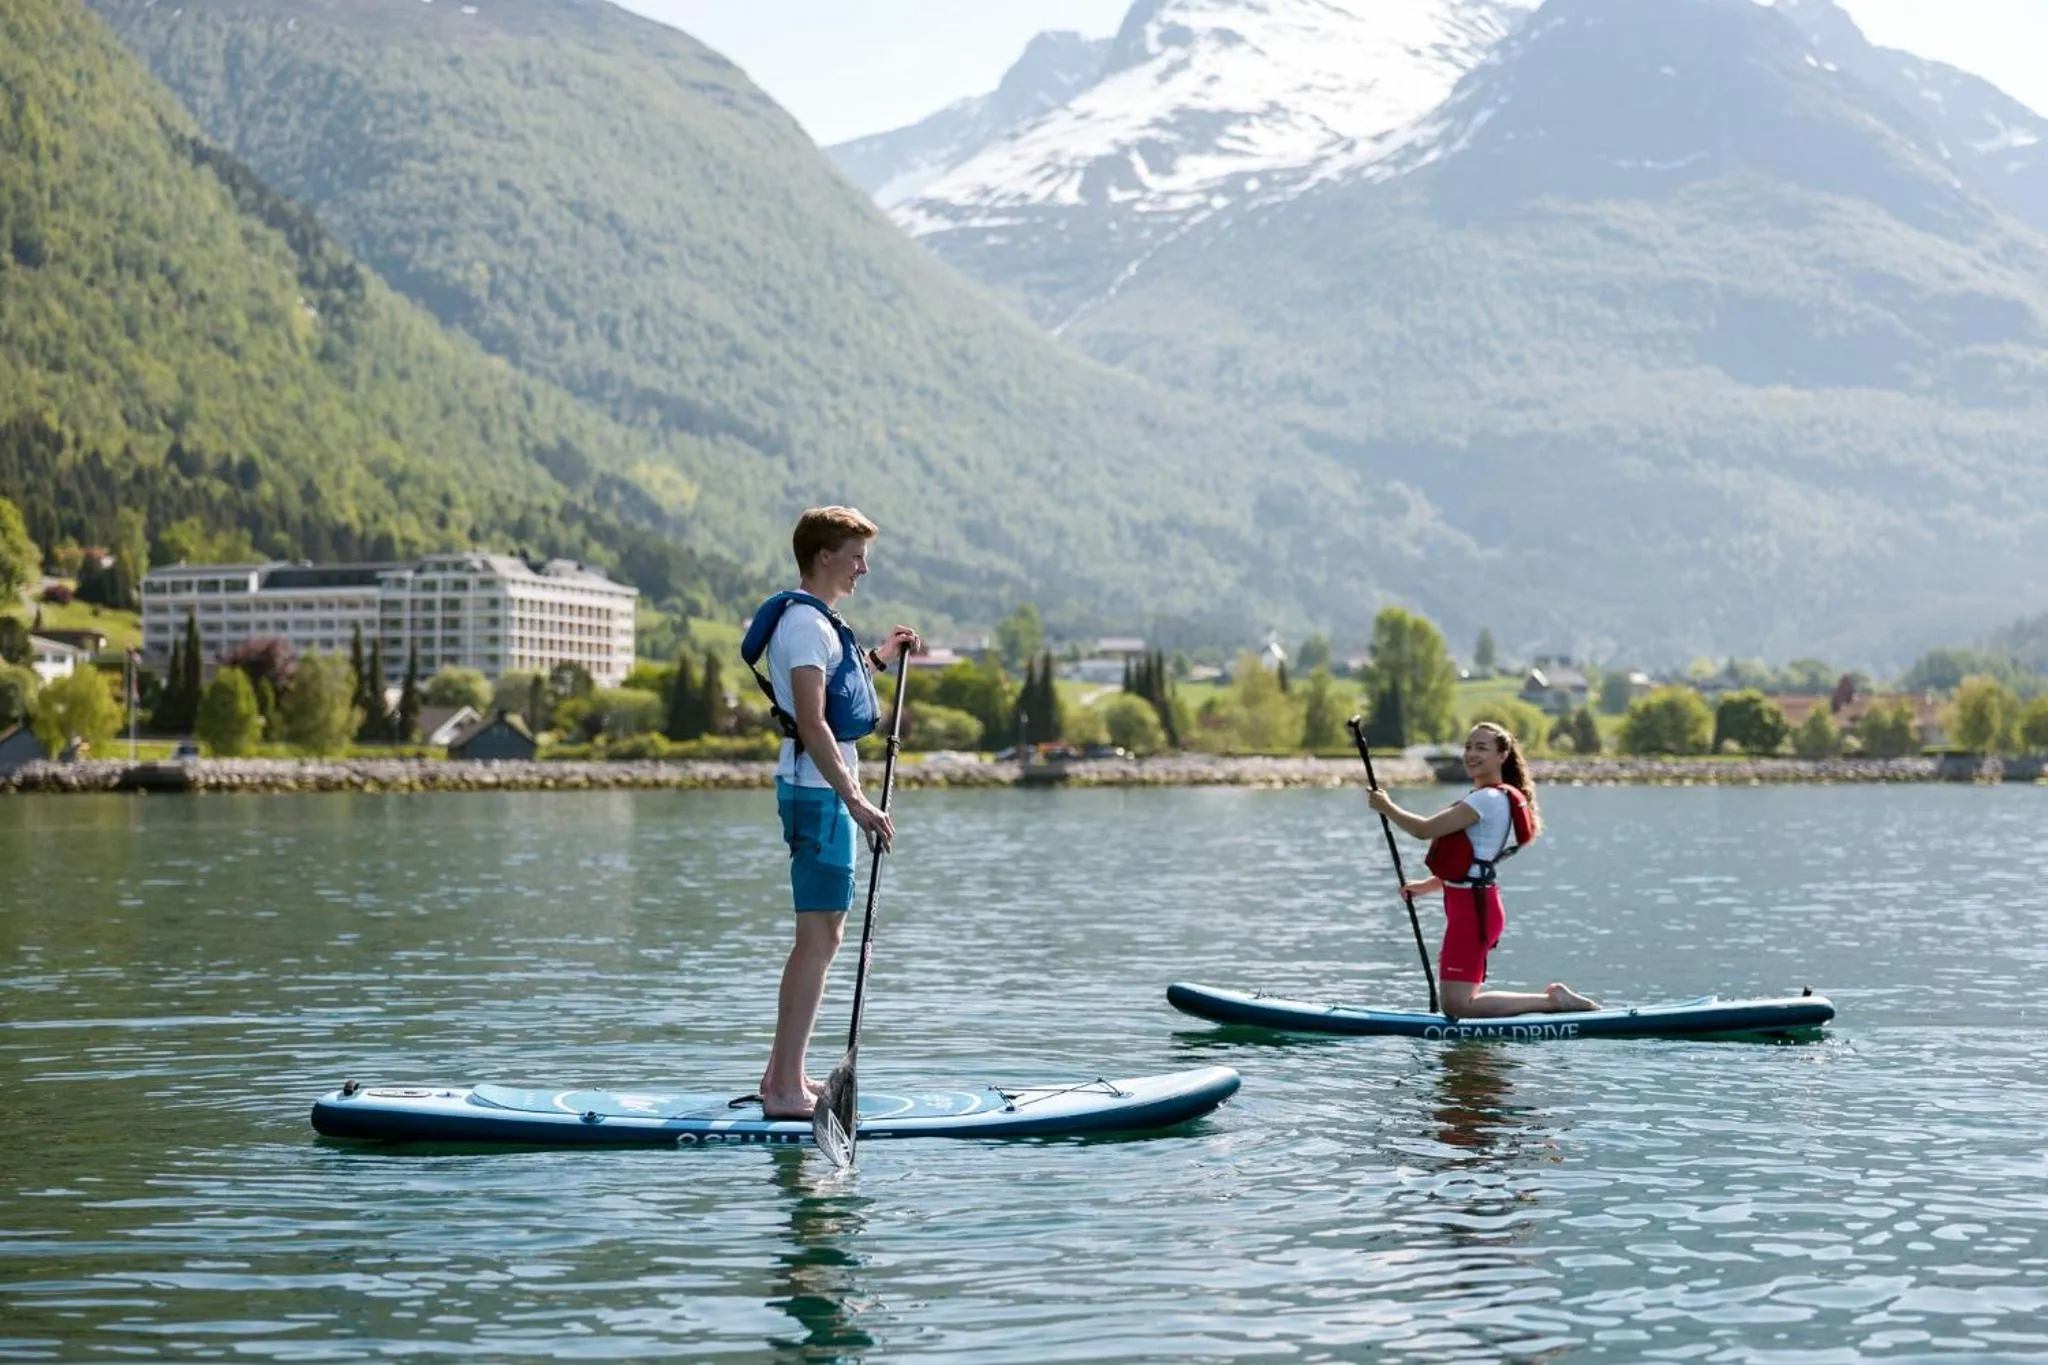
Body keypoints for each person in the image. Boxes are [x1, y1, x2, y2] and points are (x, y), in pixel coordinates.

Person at [742, 506, 919, 1119]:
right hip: (817, 794)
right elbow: (813, 722)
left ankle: (781, 1076)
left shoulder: (816, 623)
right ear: (823, 556)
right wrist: (857, 800)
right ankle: (784, 1091)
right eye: (855, 556)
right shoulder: (804, 626)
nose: (863, 568)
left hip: (821, 791)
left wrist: (882, 656)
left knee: (822, 936)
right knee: (818, 938)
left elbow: (835, 691)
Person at [1367, 721, 1599, 1019]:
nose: (1471, 754)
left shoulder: (1487, 799)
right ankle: (1548, 1002)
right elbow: (1471, 863)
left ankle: (1552, 1001)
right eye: (1468, 747)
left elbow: (1424, 830)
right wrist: (1427, 886)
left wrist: (1386, 806)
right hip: (1473, 907)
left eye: (1481, 748)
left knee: (1457, 1005)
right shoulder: (1492, 797)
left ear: (1502, 755)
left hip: (1472, 912)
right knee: (1459, 1001)